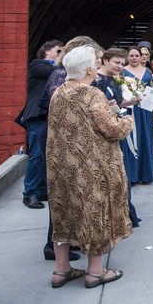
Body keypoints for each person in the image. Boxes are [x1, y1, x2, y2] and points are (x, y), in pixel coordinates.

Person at [47, 46, 135, 289]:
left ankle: (61, 269)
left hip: (61, 166)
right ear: (88, 69)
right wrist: (127, 118)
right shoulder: (91, 93)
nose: (98, 65)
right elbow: (114, 129)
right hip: (91, 166)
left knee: (63, 212)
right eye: (96, 62)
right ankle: (95, 271)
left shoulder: (59, 93)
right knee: (94, 212)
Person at [39, 36, 101, 255]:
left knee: (70, 194)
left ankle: (66, 248)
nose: (97, 64)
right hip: (61, 139)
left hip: (66, 138)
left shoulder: (73, 83)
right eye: (95, 58)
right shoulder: (64, 79)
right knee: (64, 194)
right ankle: (54, 244)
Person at [16, 40, 62, 210]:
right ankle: (29, 193)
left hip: (51, 114)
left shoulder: (54, 69)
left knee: (46, 154)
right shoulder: (37, 65)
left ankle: (42, 190)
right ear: (47, 51)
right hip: (37, 114)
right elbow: (56, 72)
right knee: (36, 153)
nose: (60, 54)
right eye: (58, 51)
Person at [122, 46, 153, 185]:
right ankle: (133, 174)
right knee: (133, 138)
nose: (135, 58)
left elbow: (151, 87)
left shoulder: (147, 71)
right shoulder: (123, 70)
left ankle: (146, 173)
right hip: (132, 107)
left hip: (145, 108)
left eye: (137, 55)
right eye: (132, 55)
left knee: (145, 137)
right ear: (127, 57)